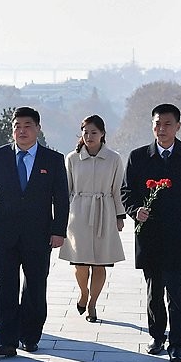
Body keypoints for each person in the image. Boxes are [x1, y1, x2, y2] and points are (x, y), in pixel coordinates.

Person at [0, 107, 69, 357]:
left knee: (35, 287)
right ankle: (6, 340)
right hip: (4, 233)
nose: (22, 130)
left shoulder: (52, 160)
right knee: (5, 287)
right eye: (17, 125)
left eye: (27, 125)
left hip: (39, 234)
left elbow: (61, 199)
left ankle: (29, 335)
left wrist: (59, 230)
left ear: (38, 129)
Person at [121, 104, 181, 362]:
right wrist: (136, 210)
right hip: (149, 235)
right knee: (154, 290)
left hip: (178, 234)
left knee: (176, 291)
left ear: (178, 126)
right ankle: (157, 337)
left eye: (168, 124)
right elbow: (126, 192)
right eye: (158, 124)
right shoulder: (138, 157)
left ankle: (178, 344)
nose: (162, 129)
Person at [58, 115, 125, 323]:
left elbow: (118, 189)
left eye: (93, 132)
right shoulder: (72, 158)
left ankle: (93, 303)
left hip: (104, 210)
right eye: (85, 132)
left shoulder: (114, 158)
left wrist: (119, 215)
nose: (89, 136)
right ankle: (83, 292)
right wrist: (60, 217)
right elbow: (65, 189)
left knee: (100, 263)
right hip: (78, 212)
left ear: (103, 134)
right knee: (80, 262)